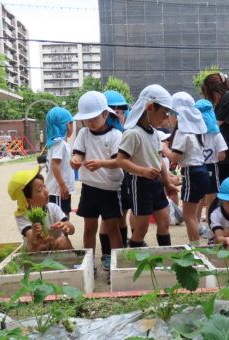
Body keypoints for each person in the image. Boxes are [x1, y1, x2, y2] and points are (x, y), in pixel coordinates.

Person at [117, 84, 179, 248]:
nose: (165, 118)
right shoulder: (132, 133)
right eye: (163, 114)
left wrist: (167, 182)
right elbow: (121, 160)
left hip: (157, 184)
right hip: (140, 184)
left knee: (164, 221)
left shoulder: (154, 133)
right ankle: (134, 255)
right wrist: (142, 171)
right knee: (142, 226)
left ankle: (166, 254)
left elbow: (159, 159)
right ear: (150, 107)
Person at [70, 91, 123, 277]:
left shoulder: (115, 135)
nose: (89, 123)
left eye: (93, 118)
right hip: (89, 187)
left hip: (109, 188)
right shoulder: (84, 133)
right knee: (89, 227)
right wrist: (74, 160)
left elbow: (119, 162)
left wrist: (100, 163)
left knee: (112, 228)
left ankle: (116, 264)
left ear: (105, 114)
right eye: (86, 119)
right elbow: (78, 153)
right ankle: (89, 262)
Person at [161, 92, 208, 246]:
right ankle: (195, 245)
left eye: (171, 114)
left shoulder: (183, 132)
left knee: (189, 216)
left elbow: (174, 157)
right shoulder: (197, 132)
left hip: (192, 173)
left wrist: (163, 147)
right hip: (202, 171)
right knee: (193, 214)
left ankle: (195, 248)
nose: (170, 117)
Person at [8, 166, 74, 252]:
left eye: (44, 186)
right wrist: (34, 232)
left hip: (56, 246)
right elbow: (33, 240)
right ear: (26, 198)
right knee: (34, 247)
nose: (46, 191)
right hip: (38, 249)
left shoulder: (53, 208)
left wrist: (67, 226)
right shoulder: (23, 216)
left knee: (63, 241)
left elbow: (72, 230)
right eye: (40, 190)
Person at [195, 99, 227, 237]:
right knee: (211, 201)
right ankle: (210, 227)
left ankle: (195, 225)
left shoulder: (194, 133)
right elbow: (222, 155)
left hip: (196, 168)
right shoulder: (216, 134)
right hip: (212, 169)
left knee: (197, 199)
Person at [105, 90, 131, 247]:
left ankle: (122, 244)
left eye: (122, 112)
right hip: (108, 182)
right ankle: (108, 251)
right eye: (116, 112)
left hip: (124, 179)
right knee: (109, 219)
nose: (119, 116)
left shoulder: (125, 132)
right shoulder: (103, 134)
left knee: (123, 213)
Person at [45, 107, 75, 216]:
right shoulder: (59, 144)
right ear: (67, 125)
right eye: (72, 124)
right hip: (58, 191)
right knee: (61, 220)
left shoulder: (55, 143)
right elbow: (55, 165)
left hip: (58, 190)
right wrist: (62, 185)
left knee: (63, 218)